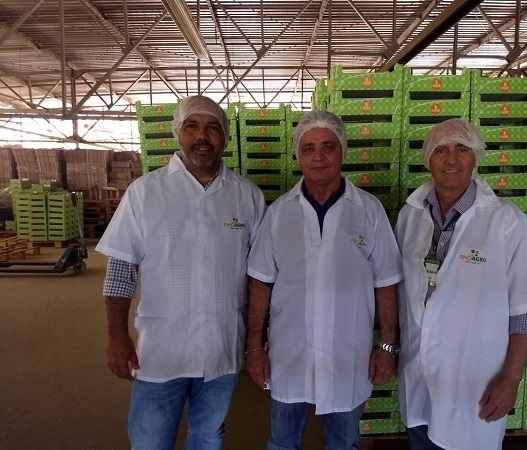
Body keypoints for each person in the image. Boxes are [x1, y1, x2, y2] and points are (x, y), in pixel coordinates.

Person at [96, 95, 265, 450]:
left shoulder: (247, 196)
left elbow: (260, 277)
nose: (202, 136)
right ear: (178, 133)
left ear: (225, 137)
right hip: (161, 349)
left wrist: (255, 342)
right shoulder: (145, 192)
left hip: (222, 347)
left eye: (213, 128)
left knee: (208, 436)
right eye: (192, 126)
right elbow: (121, 269)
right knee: (150, 441)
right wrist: (117, 336)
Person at [395, 118, 527, 450]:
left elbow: (526, 310)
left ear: (476, 157)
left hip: (475, 382)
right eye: (440, 150)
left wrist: (511, 378)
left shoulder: (506, 220)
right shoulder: (410, 215)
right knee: (421, 439)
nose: (451, 159)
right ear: (428, 159)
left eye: (462, 149)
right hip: (418, 374)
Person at [244, 110, 402, 450]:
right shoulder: (279, 213)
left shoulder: (369, 210)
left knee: (344, 444)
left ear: (343, 150)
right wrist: (254, 347)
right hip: (289, 355)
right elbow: (261, 283)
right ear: (298, 155)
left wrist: (388, 345)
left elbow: (387, 282)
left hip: (349, 356)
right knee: (283, 443)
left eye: (328, 146)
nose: (318, 156)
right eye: (309, 148)